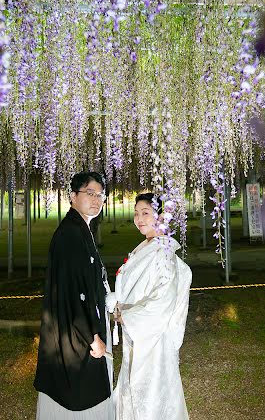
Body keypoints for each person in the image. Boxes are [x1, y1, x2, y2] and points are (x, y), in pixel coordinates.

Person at [34, 171, 114, 419]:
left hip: (82, 325)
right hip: (78, 332)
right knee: (79, 393)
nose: (96, 200)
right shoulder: (70, 235)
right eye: (89, 193)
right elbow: (72, 292)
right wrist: (92, 337)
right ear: (73, 196)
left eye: (100, 195)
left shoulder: (80, 228)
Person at [106, 192, 192, 420]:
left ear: (161, 216)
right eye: (136, 213)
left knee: (150, 393)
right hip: (137, 332)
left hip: (152, 337)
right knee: (132, 386)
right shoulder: (146, 246)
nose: (139, 218)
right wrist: (120, 305)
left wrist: (129, 317)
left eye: (146, 213)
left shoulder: (163, 251)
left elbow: (164, 298)